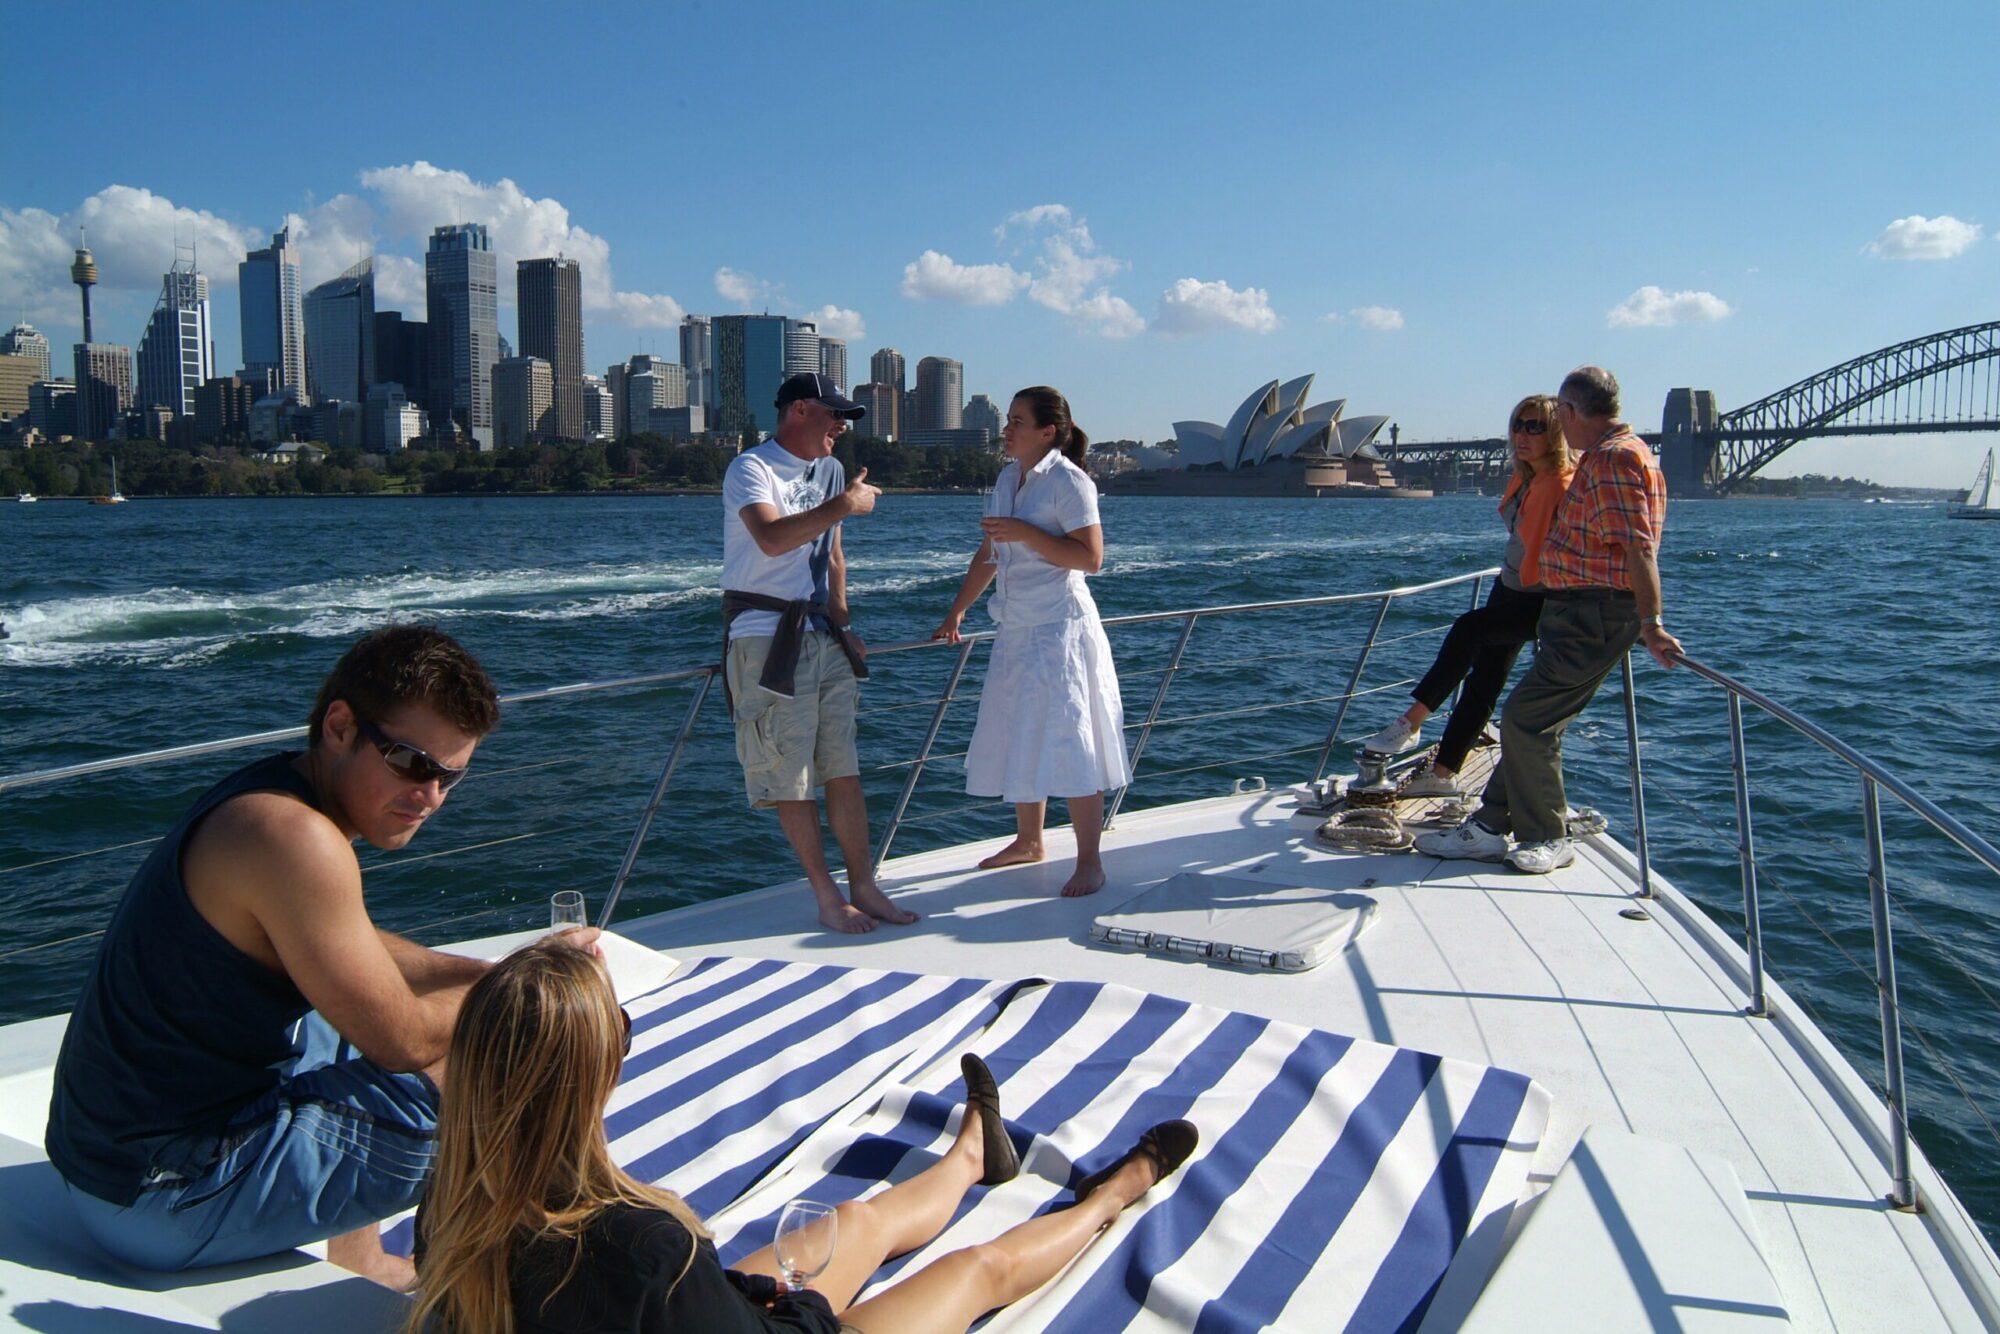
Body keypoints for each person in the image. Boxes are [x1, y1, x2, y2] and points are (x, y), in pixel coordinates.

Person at [408, 937, 1198, 1333]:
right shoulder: (640, 1246)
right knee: (979, 1269)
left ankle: (969, 1156)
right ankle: (1117, 1191)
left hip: (681, 1309)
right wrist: (801, 1309)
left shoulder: (452, 1208)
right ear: (593, 1077)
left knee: (856, 1221)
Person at [45, 624, 504, 1287]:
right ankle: (532, 1285)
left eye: (451, 777)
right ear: (341, 727)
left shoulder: (269, 794)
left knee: (358, 1015)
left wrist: (473, 974)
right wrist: (521, 997)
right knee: (519, 1064)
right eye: (412, 763)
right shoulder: (297, 840)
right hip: (165, 1196)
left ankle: (361, 1259)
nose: (430, 797)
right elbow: (400, 1038)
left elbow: (349, 947)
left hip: (107, 1165)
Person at [1417, 367, 1682, 873]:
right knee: (1530, 722)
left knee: (1525, 718)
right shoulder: (1617, 453)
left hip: (1594, 611)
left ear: (1570, 412)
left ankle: (1548, 835)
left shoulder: (1614, 459)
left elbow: (1638, 548)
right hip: (1576, 609)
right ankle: (1492, 827)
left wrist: (1651, 622)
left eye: (1556, 415)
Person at [721, 371, 916, 934]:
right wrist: (846, 505)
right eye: (834, 415)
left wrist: (843, 621)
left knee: (843, 769)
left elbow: (832, 558)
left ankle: (864, 886)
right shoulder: (750, 468)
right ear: (800, 411)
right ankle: (827, 897)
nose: (841, 427)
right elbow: (773, 538)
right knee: (790, 776)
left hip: (820, 633)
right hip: (764, 635)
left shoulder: (831, 471)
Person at [932, 386, 1130, 897]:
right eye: (1008, 420)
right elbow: (989, 553)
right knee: (1021, 728)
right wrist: (958, 609)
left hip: (1061, 629)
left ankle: (1090, 861)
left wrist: (1022, 530)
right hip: (1016, 626)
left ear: (1047, 431)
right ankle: (1029, 841)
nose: (1007, 428)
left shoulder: (1070, 481)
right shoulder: (1006, 478)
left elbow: (1090, 559)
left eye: (1017, 421)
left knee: (1071, 737)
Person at [1357, 395, 1575, 796]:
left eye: (1535, 427)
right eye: (1518, 425)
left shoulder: (1559, 483)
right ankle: (1441, 775)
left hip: (1540, 597)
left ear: (1557, 433)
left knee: (1468, 631)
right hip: (1510, 587)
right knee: (1485, 682)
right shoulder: (1526, 476)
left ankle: (1411, 723)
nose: (1522, 435)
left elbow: (1547, 550)